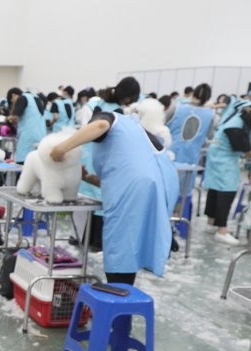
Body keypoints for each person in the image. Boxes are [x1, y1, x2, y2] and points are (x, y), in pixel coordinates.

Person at [50, 77, 179, 285]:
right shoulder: (133, 129)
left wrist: (60, 149)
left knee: (120, 242)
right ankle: (124, 288)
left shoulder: (107, 118)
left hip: (137, 186)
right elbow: (123, 178)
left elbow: (100, 125)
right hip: (162, 181)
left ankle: (118, 293)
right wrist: (89, 179)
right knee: (139, 238)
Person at [202, 97, 251, 245]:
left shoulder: (234, 119)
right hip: (225, 159)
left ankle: (211, 223)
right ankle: (221, 230)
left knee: (215, 188)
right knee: (227, 190)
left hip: (217, 156)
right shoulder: (235, 128)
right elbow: (245, 150)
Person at [7, 87, 46, 161]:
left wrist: (7, 118)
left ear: (13, 95)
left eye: (11, 100)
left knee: (23, 162)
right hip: (40, 134)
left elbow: (15, 117)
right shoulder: (36, 98)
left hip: (28, 136)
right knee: (37, 161)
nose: (13, 102)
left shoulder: (22, 98)